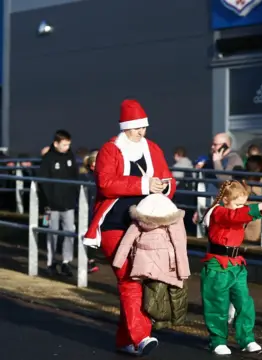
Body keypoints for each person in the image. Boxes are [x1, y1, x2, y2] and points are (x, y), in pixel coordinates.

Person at [83, 99, 176, 356]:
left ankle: (126, 340)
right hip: (114, 225)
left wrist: (165, 186)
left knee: (141, 280)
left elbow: (169, 178)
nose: (141, 132)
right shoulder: (109, 150)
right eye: (136, 128)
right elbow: (107, 184)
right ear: (125, 127)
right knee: (129, 279)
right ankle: (141, 336)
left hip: (144, 226)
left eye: (144, 127)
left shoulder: (152, 148)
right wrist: (145, 185)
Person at [200, 180, 262, 356]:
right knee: (217, 304)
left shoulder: (237, 211)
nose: (240, 208)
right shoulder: (218, 212)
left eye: (243, 204)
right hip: (217, 265)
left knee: (245, 303)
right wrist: (257, 208)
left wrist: (261, 209)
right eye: (237, 204)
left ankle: (247, 338)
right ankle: (218, 340)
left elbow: (242, 215)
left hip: (236, 264)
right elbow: (234, 217)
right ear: (226, 199)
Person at [38, 129, 79, 277]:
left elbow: (75, 177)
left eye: (68, 144)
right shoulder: (48, 159)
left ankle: (66, 262)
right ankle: (51, 262)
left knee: (69, 232)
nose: (66, 147)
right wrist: (47, 202)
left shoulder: (70, 157)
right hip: (52, 205)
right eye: (64, 145)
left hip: (68, 204)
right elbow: (43, 182)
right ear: (56, 144)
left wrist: (74, 196)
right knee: (52, 233)